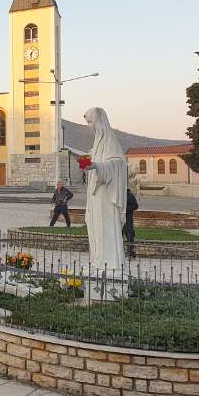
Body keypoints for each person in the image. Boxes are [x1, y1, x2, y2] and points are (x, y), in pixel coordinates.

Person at [83, 107, 128, 272]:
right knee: (96, 228)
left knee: (106, 228)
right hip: (96, 195)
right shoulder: (97, 142)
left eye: (90, 122)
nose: (89, 126)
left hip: (106, 195)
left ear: (99, 122)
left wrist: (97, 166)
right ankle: (98, 260)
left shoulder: (110, 140)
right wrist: (91, 164)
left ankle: (110, 263)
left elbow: (119, 163)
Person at [123, 188, 139, 258]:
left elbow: (135, 206)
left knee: (130, 236)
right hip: (119, 220)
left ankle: (131, 252)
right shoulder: (119, 195)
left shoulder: (130, 196)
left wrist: (125, 208)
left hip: (128, 219)